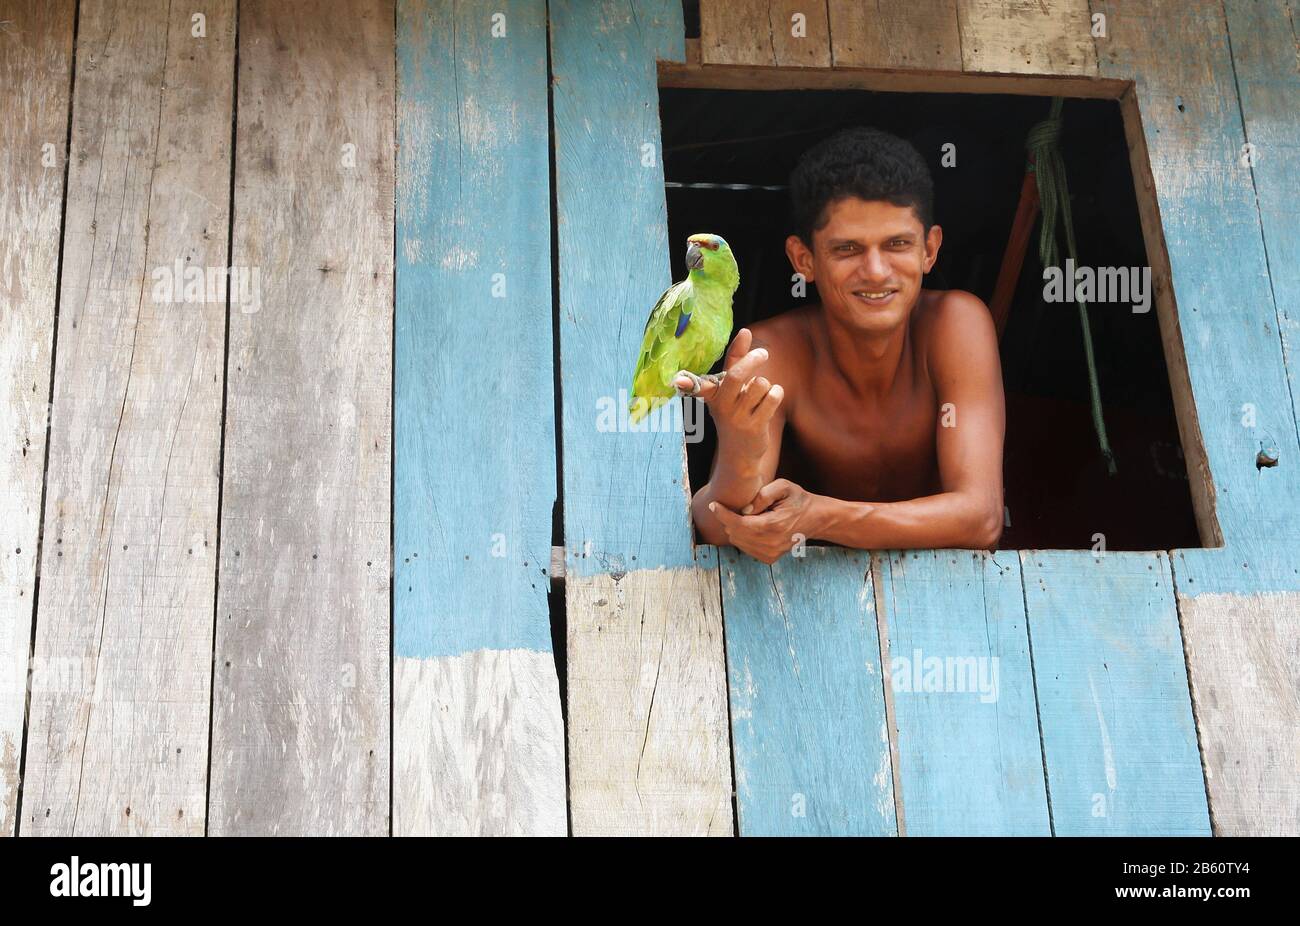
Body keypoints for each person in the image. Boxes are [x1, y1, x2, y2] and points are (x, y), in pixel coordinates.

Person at [687, 127, 1005, 563]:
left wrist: (819, 516)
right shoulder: (771, 351)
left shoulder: (955, 324)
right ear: (804, 259)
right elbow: (718, 522)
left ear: (929, 250)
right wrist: (740, 448)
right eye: (848, 249)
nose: (875, 271)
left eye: (897, 244)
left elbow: (982, 518)